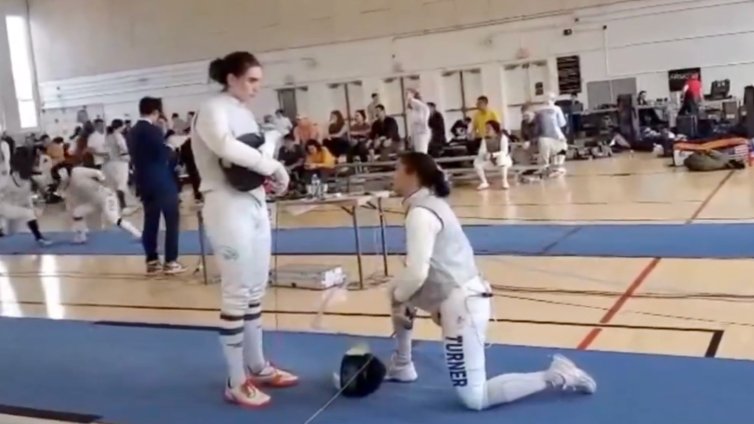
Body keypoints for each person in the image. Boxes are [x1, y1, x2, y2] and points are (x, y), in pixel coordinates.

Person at [387, 152, 596, 410]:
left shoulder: (421, 213)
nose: (393, 175)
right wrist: (412, 300)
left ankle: (558, 375)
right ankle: (403, 363)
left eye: (397, 169)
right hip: (462, 298)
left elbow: (418, 273)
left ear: (412, 174)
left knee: (476, 398)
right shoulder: (431, 204)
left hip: (463, 306)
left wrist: (401, 297)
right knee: (398, 289)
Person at [192, 51, 295, 408]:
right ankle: (236, 381)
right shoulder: (212, 108)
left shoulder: (245, 113)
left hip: (253, 203)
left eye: (258, 82)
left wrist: (273, 149)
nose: (255, 88)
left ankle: (257, 366)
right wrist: (272, 167)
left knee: (255, 289)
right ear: (231, 78)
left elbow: (252, 158)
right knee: (237, 292)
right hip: (225, 206)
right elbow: (225, 146)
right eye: (251, 80)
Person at [128, 96, 185, 275]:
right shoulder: (153, 130)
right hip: (161, 180)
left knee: (150, 221)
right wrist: (172, 147)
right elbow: (162, 155)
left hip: (143, 181)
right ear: (156, 112)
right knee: (172, 220)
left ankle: (152, 260)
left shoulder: (132, 131)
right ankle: (171, 261)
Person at [60, 166, 141, 244]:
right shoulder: (69, 186)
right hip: (95, 201)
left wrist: (104, 185)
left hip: (107, 196)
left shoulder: (77, 171)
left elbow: (98, 173)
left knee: (113, 219)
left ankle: (138, 234)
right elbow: (71, 197)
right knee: (77, 213)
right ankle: (81, 237)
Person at [0, 146, 52, 245]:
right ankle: (39, 238)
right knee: (28, 213)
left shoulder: (28, 182)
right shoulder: (6, 180)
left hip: (15, 208)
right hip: (5, 207)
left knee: (10, 232)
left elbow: (27, 198)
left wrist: (33, 208)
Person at [535, 93, 568, 177]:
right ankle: (558, 167)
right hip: (556, 135)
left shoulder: (538, 110)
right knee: (563, 148)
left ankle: (545, 168)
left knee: (544, 155)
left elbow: (536, 125)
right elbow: (562, 123)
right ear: (554, 100)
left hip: (542, 137)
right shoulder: (557, 108)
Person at [102, 119, 132, 212]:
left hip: (108, 164)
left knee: (112, 186)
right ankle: (123, 206)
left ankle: (113, 206)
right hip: (120, 163)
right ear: (121, 126)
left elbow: (105, 150)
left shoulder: (108, 136)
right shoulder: (118, 136)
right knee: (121, 185)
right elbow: (123, 148)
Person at [474, 120, 512, 191]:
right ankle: (484, 182)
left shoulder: (503, 137)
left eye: (489, 128)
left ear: (495, 129)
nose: (487, 130)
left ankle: (504, 181)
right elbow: (481, 151)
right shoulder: (485, 139)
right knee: (477, 161)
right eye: (486, 128)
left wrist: (492, 155)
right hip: (491, 162)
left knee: (501, 157)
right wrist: (484, 154)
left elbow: (504, 152)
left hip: (504, 162)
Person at [406, 89, 431, 154]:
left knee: (421, 154)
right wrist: (411, 138)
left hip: (422, 133)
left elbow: (412, 101)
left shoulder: (423, 107)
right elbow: (412, 126)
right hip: (417, 133)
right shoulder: (415, 110)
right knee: (418, 154)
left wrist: (410, 95)